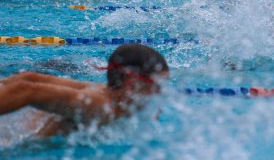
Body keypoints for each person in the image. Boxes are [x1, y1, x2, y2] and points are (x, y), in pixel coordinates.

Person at [0, 44, 169, 137]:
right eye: (157, 85)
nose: (161, 92)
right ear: (132, 83)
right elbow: (28, 90)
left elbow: (30, 77)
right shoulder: (99, 106)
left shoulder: (103, 90)